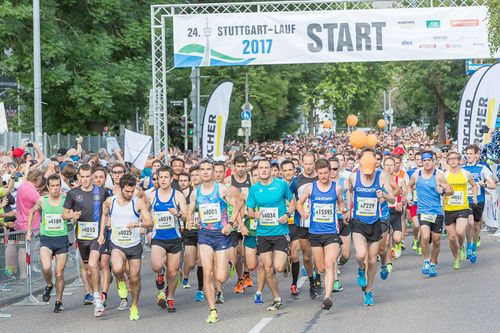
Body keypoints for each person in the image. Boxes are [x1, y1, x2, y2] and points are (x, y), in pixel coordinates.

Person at [187, 158, 239, 324]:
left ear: (213, 171)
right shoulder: (196, 192)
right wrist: (190, 220)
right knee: (207, 273)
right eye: (203, 169)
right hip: (204, 235)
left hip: (221, 235)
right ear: (199, 172)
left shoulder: (221, 189)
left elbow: (237, 205)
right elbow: (191, 210)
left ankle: (227, 265)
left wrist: (230, 224)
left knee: (221, 277)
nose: (206, 172)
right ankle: (212, 310)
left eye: (209, 169)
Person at [99, 174, 153, 321]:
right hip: (117, 243)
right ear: (120, 188)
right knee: (116, 269)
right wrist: (101, 234)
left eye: (132, 191)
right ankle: (121, 283)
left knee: (135, 278)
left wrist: (138, 224)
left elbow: (150, 222)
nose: (130, 194)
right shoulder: (111, 201)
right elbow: (104, 215)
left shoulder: (138, 203)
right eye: (127, 191)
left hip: (134, 244)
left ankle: (134, 306)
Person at [297, 159, 347, 310]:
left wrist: (343, 209)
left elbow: (341, 203)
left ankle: (327, 297)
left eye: (326, 172)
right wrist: (303, 213)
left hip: (331, 232)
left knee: (329, 263)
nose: (324, 176)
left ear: (330, 172)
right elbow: (299, 203)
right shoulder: (310, 188)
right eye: (321, 173)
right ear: (317, 174)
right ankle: (323, 284)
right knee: (320, 268)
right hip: (315, 233)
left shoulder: (336, 188)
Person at [345, 153, 395, 306]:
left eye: (370, 171)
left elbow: (393, 198)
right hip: (359, 222)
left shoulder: (382, 177)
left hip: (375, 222)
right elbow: (349, 190)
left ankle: (368, 291)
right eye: (364, 171)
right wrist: (348, 208)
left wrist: (384, 195)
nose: (367, 175)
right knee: (360, 255)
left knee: (373, 260)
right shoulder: (353, 177)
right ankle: (361, 270)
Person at [247, 159, 295, 311]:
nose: (263, 170)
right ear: (257, 170)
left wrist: (287, 214)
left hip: (280, 231)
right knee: (267, 268)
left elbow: (292, 201)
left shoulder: (280, 185)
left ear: (271, 169)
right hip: (263, 233)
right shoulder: (254, 189)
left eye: (266, 167)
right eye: (260, 168)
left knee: (278, 267)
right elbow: (248, 211)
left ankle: (285, 263)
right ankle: (277, 298)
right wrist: (254, 214)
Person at [62, 164, 109, 316]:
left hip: (97, 235)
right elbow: (64, 214)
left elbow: (106, 213)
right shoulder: (73, 193)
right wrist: (72, 216)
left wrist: (103, 230)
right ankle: (95, 294)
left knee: (95, 264)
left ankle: (98, 298)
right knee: (88, 270)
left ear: (92, 176)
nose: (85, 179)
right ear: (78, 177)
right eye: (82, 176)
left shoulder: (102, 192)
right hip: (82, 237)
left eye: (88, 176)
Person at [26, 174, 69, 313]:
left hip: (62, 239)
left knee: (59, 273)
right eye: (53, 186)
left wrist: (73, 218)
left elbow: (71, 214)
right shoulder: (42, 200)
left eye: (57, 186)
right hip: (47, 239)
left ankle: (58, 301)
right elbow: (31, 212)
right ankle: (49, 285)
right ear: (48, 187)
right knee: (46, 267)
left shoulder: (66, 199)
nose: (55, 189)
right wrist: (28, 231)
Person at [148, 166, 187, 312]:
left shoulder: (178, 196)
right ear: (157, 179)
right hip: (158, 237)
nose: (163, 180)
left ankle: (170, 297)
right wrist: (146, 228)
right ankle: (160, 274)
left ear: (171, 179)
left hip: (174, 238)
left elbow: (186, 216)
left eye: (166, 177)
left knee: (173, 271)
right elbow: (144, 215)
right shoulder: (152, 196)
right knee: (157, 265)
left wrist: (177, 213)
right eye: (160, 177)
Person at [408, 151, 453, 278]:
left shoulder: (439, 175)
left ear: (434, 162)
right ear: (421, 162)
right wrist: (409, 195)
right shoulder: (416, 175)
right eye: (424, 160)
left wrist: (443, 190)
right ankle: (426, 260)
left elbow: (451, 190)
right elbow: (409, 186)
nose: (427, 162)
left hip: (437, 212)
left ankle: (433, 262)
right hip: (422, 211)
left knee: (437, 240)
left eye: (429, 160)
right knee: (424, 237)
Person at [289, 152, 321, 298]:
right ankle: (311, 281)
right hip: (302, 223)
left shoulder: (320, 177)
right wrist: (292, 208)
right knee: (307, 257)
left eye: (311, 163)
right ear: (302, 163)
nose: (308, 167)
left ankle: (318, 279)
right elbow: (287, 197)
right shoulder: (296, 181)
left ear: (315, 162)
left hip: (319, 222)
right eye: (306, 164)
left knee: (319, 255)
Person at [444, 151, 477, 269]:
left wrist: (474, 196)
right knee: (452, 238)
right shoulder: (445, 175)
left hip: (463, 207)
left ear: (459, 161)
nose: (453, 161)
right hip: (448, 209)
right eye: (450, 159)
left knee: (459, 231)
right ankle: (456, 258)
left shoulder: (465, 174)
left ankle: (462, 246)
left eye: (455, 158)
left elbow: (474, 185)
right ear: (448, 161)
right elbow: (440, 190)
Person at [463, 144, 496, 263]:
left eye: (471, 153)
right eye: (467, 153)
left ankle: (473, 246)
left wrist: (484, 184)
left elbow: (493, 185)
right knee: (469, 223)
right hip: (465, 201)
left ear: (476, 155)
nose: (469, 156)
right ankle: (468, 244)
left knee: (476, 226)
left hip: (479, 200)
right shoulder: (462, 169)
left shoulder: (482, 168)